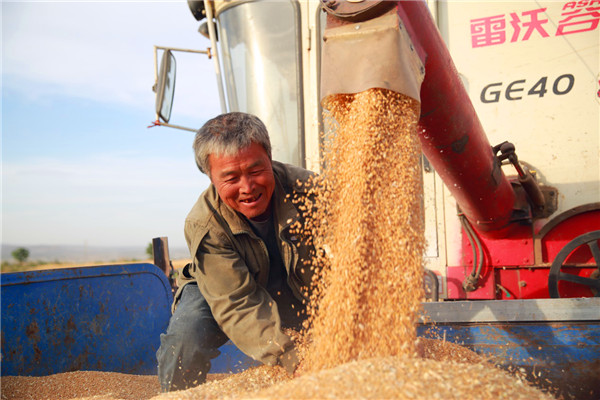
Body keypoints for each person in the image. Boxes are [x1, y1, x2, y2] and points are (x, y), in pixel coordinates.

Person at [156, 112, 315, 392]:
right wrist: (295, 359)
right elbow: (237, 303)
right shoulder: (205, 224)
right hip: (219, 286)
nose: (248, 187)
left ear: (269, 157)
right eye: (231, 177)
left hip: (292, 278)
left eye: (255, 171)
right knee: (185, 337)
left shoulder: (310, 192)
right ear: (210, 176)